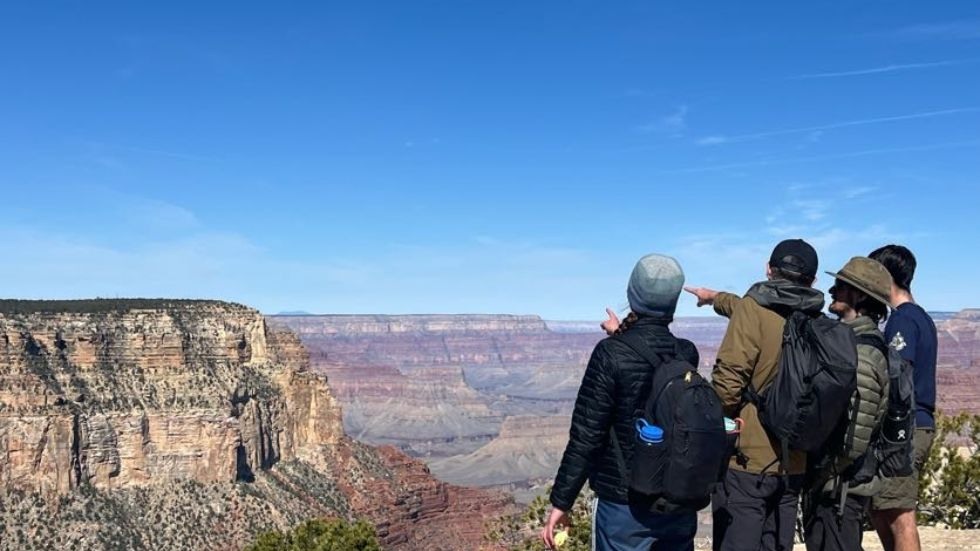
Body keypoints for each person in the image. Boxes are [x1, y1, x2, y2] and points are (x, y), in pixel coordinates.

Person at [542, 254, 700, 551]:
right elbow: (653, 362)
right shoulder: (686, 354)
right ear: (674, 302)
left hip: (623, 505)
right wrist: (621, 335)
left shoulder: (609, 355)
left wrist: (561, 502)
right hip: (677, 502)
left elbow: (587, 436)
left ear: (632, 295)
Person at [685, 238, 824, 551]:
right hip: (795, 463)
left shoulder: (754, 309)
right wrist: (715, 298)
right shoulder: (818, 320)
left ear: (768, 269)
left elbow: (728, 383)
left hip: (748, 463)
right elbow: (755, 312)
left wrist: (715, 426)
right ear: (812, 281)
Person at [803, 256, 892, 551]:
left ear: (861, 296)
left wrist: (821, 476)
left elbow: (855, 437)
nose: (832, 291)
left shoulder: (863, 354)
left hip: (840, 488)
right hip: (836, 485)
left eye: (840, 286)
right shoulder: (850, 343)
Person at [868, 245, 937, 551]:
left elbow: (898, 377)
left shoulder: (902, 321)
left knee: (899, 515)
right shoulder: (920, 317)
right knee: (883, 510)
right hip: (914, 426)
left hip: (904, 429)